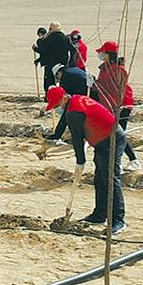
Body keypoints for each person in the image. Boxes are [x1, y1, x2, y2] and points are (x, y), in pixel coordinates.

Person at [45, 86, 127, 234]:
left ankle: (118, 220)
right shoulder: (75, 99)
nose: (57, 109)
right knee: (100, 179)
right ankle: (100, 214)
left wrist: (80, 161)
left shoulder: (74, 111)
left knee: (110, 179)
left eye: (56, 105)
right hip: (103, 141)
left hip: (111, 139)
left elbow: (77, 138)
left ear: (63, 98)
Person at [93, 41, 140, 171]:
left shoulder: (118, 70)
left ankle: (133, 160)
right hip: (112, 105)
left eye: (102, 53)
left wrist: (95, 85)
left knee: (119, 133)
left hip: (122, 105)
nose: (101, 55)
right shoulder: (105, 68)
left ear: (108, 54)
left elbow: (111, 88)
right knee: (115, 133)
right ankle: (120, 160)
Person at [37, 21, 72, 92]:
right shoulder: (66, 38)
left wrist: (36, 46)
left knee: (49, 81)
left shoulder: (48, 39)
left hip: (50, 64)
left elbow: (41, 48)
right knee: (62, 80)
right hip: (62, 63)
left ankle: (49, 96)